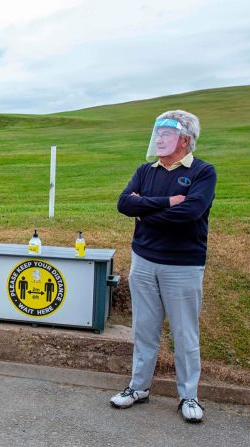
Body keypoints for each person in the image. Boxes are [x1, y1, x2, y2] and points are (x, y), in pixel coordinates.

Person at [110, 110, 216, 423]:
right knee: (144, 329)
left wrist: (144, 210)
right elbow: (124, 204)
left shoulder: (202, 172)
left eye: (165, 135)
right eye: (157, 134)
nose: (158, 139)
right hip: (143, 260)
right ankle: (138, 387)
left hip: (182, 265)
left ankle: (189, 396)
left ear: (185, 140)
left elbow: (191, 212)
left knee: (185, 334)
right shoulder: (146, 170)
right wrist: (169, 202)